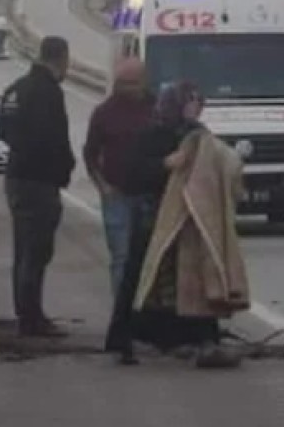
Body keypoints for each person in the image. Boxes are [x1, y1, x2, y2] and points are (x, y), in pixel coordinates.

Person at [104, 81, 248, 369]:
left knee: (191, 278)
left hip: (188, 221)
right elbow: (131, 175)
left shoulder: (200, 138)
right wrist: (164, 164)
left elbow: (221, 167)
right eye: (192, 102)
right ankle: (126, 337)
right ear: (178, 103)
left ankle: (195, 337)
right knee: (142, 276)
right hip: (153, 217)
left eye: (199, 103)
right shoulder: (151, 136)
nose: (197, 108)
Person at [0, 36, 75, 338]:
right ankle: (32, 318)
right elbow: (53, 137)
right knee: (37, 251)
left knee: (23, 249)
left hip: (16, 177)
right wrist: (63, 168)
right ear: (60, 58)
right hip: (39, 181)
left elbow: (2, 131)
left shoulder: (15, 89)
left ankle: (26, 311)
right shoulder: (48, 92)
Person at [83, 58, 154, 295]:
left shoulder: (157, 109)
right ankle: (121, 313)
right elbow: (90, 154)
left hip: (149, 194)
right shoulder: (104, 113)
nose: (127, 89)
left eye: (132, 84)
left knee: (149, 256)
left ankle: (146, 312)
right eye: (122, 84)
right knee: (121, 256)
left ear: (144, 82)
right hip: (117, 195)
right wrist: (102, 186)